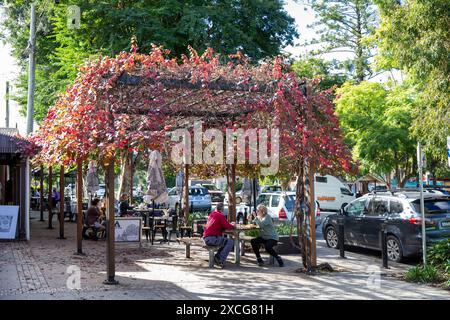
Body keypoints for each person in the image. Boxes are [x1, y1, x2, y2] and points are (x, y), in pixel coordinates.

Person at [202, 203, 235, 268]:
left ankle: (217, 257)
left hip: (206, 238)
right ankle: (220, 259)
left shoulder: (212, 214)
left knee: (224, 241)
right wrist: (233, 225)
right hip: (211, 238)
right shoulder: (220, 216)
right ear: (222, 209)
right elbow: (228, 226)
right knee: (230, 242)